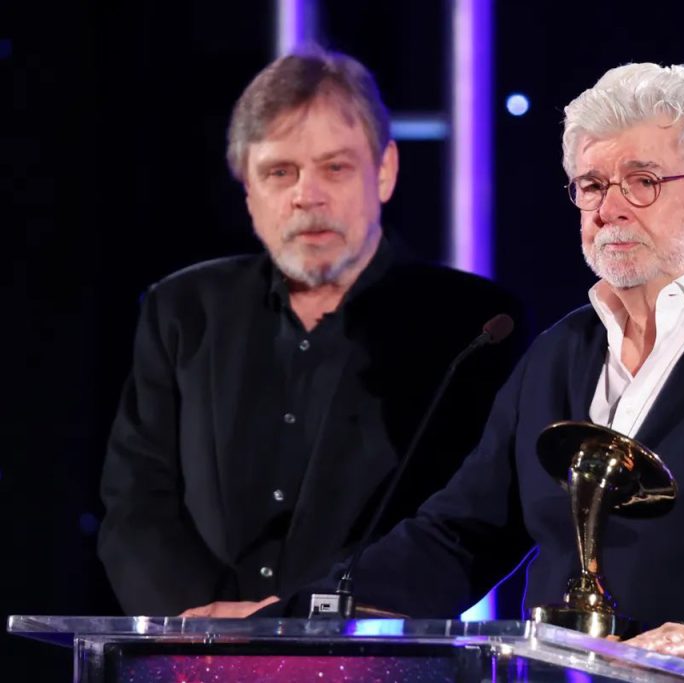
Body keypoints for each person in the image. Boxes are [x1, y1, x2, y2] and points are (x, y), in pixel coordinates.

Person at [210, 62, 684, 683]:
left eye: (643, 182)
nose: (608, 207)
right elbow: (460, 534)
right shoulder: (564, 349)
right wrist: (289, 623)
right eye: (591, 185)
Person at [97, 49, 525, 617]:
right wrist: (207, 629)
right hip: (196, 651)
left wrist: (299, 619)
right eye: (280, 172)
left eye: (335, 168)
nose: (307, 195)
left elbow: (478, 525)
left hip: (375, 653)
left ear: (385, 171)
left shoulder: (471, 325)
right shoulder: (182, 310)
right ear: (247, 189)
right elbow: (135, 502)